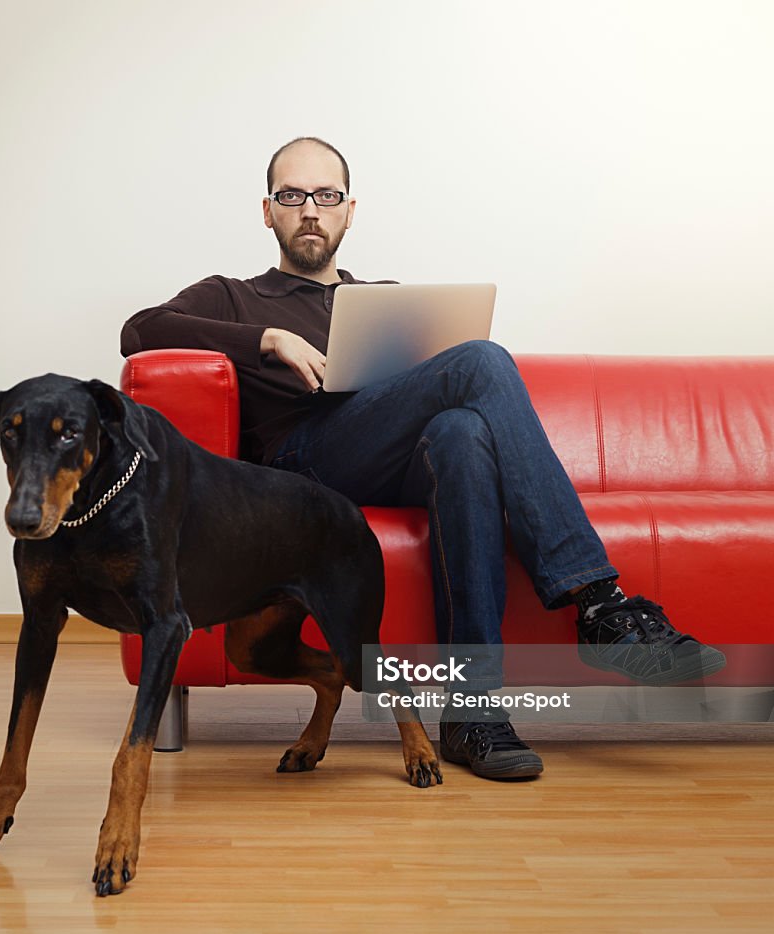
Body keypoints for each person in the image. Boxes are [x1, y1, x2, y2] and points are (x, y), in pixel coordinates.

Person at [120, 136, 725, 780]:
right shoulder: (233, 297)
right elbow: (140, 330)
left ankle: (473, 718)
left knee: (463, 435)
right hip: (304, 467)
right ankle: (600, 603)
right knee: (481, 358)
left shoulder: (384, 301)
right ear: (268, 211)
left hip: (388, 456)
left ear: (350, 211)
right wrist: (266, 340)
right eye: (292, 197)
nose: (310, 212)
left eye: (326, 197)